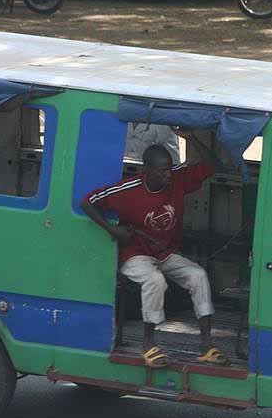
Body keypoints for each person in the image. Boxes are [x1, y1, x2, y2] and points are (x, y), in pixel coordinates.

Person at [80, 132, 227, 368]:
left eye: (169, 168)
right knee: (155, 281)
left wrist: (192, 138)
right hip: (134, 255)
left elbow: (212, 165)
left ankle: (207, 345)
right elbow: (87, 202)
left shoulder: (176, 179)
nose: (168, 174)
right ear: (146, 169)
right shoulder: (127, 189)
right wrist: (113, 230)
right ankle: (148, 344)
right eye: (161, 170)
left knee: (198, 275)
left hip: (164, 252)